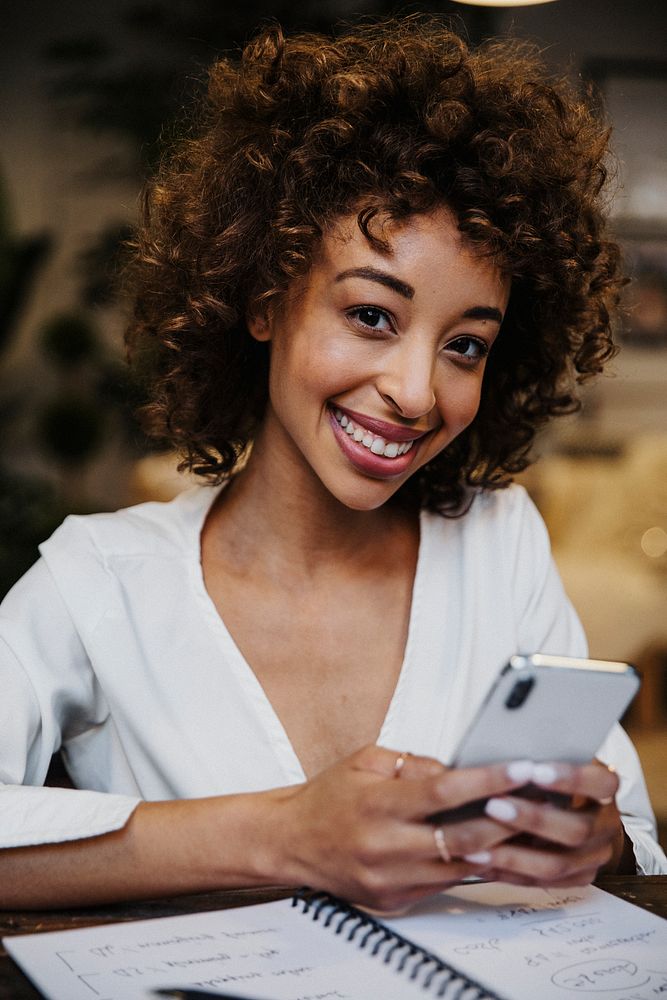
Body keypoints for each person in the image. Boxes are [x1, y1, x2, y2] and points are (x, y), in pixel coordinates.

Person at [0, 17, 664, 911]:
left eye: (465, 345)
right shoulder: (101, 579)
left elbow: (632, 843)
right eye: (372, 316)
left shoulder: (500, 546)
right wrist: (284, 834)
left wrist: (596, 837)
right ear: (266, 297)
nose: (418, 392)